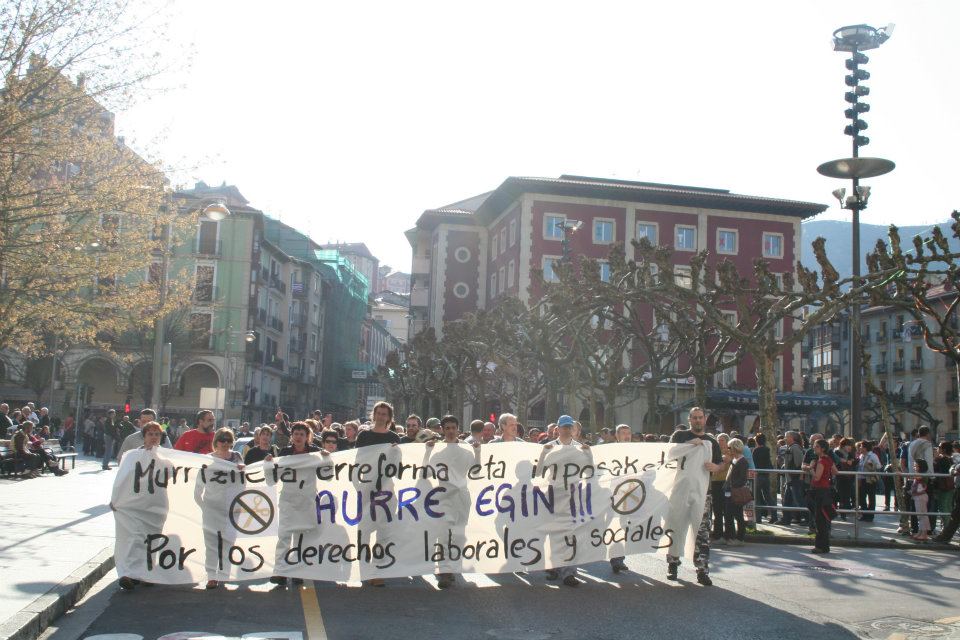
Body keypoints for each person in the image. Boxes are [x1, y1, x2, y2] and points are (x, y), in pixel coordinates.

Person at [666, 407, 728, 586]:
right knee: (676, 527)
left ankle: (702, 569)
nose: (698, 421)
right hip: (678, 492)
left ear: (705, 419)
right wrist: (688, 446)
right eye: (694, 418)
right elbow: (668, 456)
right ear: (689, 419)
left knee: (701, 533)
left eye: (701, 417)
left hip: (703, 494)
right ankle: (673, 564)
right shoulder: (679, 437)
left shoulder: (711, 442)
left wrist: (717, 468)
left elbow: (719, 464)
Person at [266, 421, 322, 586]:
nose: (298, 437)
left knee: (301, 537)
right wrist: (269, 463)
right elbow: (273, 478)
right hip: (288, 501)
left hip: (306, 500)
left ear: (307, 437)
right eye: (296, 434)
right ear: (292, 436)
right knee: (284, 536)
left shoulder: (315, 453)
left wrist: (327, 458)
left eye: (302, 434)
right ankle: (280, 571)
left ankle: (298, 570)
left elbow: (327, 473)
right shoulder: (285, 452)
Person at [115, 421, 168, 590]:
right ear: (144, 436)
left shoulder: (166, 457)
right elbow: (121, 479)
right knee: (133, 537)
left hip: (156, 505)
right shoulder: (131, 456)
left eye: (157, 434)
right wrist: (116, 499)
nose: (153, 437)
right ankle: (128, 573)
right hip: (134, 505)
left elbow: (179, 474)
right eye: (150, 434)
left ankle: (147, 572)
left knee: (152, 539)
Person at [541, 415, 591, 587]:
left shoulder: (579, 448)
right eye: (564, 427)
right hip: (554, 493)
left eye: (569, 427)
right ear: (558, 429)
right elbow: (540, 471)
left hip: (573, 494)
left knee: (571, 533)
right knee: (555, 533)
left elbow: (589, 472)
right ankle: (554, 567)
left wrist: (589, 455)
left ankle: (569, 572)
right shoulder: (550, 446)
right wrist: (543, 454)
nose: (567, 430)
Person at [196, 428, 244, 589]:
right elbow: (198, 489)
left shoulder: (237, 458)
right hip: (211, 508)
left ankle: (224, 573)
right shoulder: (207, 461)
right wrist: (204, 507)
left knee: (228, 542)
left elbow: (243, 483)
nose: (225, 443)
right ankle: (211, 575)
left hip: (232, 508)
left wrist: (240, 503)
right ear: (215, 442)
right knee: (211, 543)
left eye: (228, 440)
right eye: (222, 440)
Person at [609, 423, 634, 573]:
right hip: (613, 495)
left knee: (624, 527)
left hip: (630, 495)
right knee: (614, 527)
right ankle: (615, 558)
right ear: (617, 436)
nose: (626, 436)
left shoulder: (637, 451)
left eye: (628, 433)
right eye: (623, 433)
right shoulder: (610, 451)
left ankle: (618, 558)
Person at [806, 439, 837, 554]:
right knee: (822, 519)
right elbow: (835, 471)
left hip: (819, 491)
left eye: (817, 446)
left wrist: (810, 469)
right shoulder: (828, 459)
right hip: (826, 490)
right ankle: (824, 545)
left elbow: (817, 477)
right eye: (814, 446)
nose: (814, 448)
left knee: (819, 520)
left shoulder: (821, 461)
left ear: (822, 448)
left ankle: (821, 546)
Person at [721, 438, 749, 546]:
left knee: (737, 515)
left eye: (729, 447)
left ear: (734, 448)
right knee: (729, 515)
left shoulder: (742, 461)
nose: (728, 450)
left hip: (735, 492)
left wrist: (732, 487)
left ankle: (739, 538)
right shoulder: (734, 460)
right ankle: (730, 536)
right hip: (729, 491)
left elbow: (742, 479)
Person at [752, 433, 776, 523]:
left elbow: (754, 463)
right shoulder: (767, 449)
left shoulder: (756, 450)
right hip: (766, 475)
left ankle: (758, 518)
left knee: (757, 497)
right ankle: (774, 516)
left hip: (758, 475)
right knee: (768, 497)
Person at [934, 441, 956, 533]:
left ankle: (947, 529)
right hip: (952, 486)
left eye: (939, 447)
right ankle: (950, 528)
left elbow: (939, 472)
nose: (938, 449)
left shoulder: (942, 460)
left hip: (943, 487)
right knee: (949, 507)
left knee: (943, 507)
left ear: (944, 449)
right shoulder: (951, 459)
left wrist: (935, 460)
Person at [857, 440, 881, 522]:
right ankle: (864, 514)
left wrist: (871, 465)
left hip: (870, 479)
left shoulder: (873, 456)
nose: (860, 448)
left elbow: (878, 466)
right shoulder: (861, 456)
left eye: (861, 446)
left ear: (865, 448)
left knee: (871, 497)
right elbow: (859, 468)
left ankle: (870, 516)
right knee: (862, 497)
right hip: (863, 479)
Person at [911, 459, 932, 542]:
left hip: (921, 496)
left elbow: (917, 478)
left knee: (922, 515)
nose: (914, 467)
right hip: (918, 496)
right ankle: (920, 532)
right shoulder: (919, 474)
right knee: (920, 515)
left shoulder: (923, 475)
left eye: (916, 466)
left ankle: (924, 534)